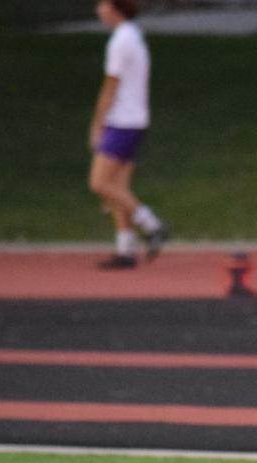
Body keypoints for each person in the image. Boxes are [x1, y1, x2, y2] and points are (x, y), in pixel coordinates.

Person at [87, 0, 168, 270]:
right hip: (135, 120)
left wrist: (97, 124)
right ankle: (126, 249)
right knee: (119, 188)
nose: (98, 10)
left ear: (114, 8)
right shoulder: (133, 36)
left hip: (122, 121)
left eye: (102, 5)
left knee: (99, 183)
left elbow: (110, 86)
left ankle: (152, 223)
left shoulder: (121, 42)